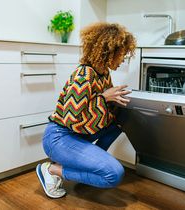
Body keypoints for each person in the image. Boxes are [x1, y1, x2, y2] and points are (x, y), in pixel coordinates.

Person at [36, 22, 137, 198]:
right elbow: (71, 118)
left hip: (78, 134)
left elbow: (102, 111)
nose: (123, 59)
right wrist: (104, 98)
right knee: (114, 174)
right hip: (59, 137)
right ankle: (52, 170)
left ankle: (85, 165)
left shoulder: (104, 73)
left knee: (120, 122)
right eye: (122, 54)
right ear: (108, 51)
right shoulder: (84, 75)